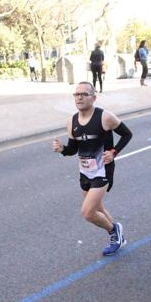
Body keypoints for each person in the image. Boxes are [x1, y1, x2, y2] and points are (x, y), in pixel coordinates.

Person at [52, 82, 132, 256]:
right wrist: (62, 149)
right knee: (98, 209)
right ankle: (118, 235)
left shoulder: (105, 117)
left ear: (93, 97)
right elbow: (73, 149)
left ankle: (113, 232)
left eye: (84, 94)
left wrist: (114, 152)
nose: (79, 97)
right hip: (85, 172)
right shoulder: (71, 121)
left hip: (102, 171)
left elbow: (127, 134)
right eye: (76, 94)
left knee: (88, 213)